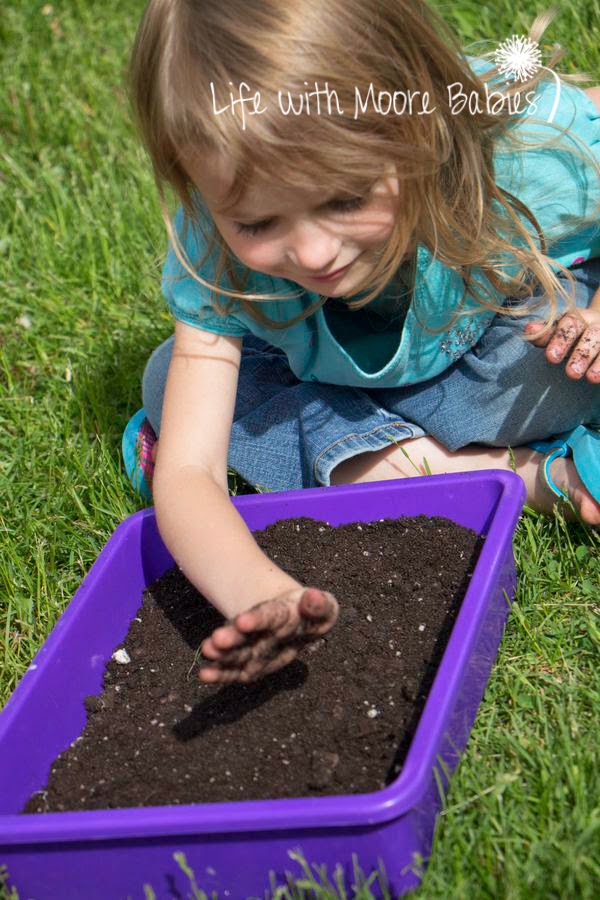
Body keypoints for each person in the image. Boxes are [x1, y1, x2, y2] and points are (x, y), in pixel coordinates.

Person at [122, 0, 600, 684]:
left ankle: (378, 460)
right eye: (257, 221)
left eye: (345, 199)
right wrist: (261, 594)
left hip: (502, 335)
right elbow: (191, 475)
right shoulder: (213, 244)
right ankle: (529, 477)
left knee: (556, 366)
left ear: (421, 130)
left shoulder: (522, 155)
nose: (313, 252)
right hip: (358, 371)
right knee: (171, 381)